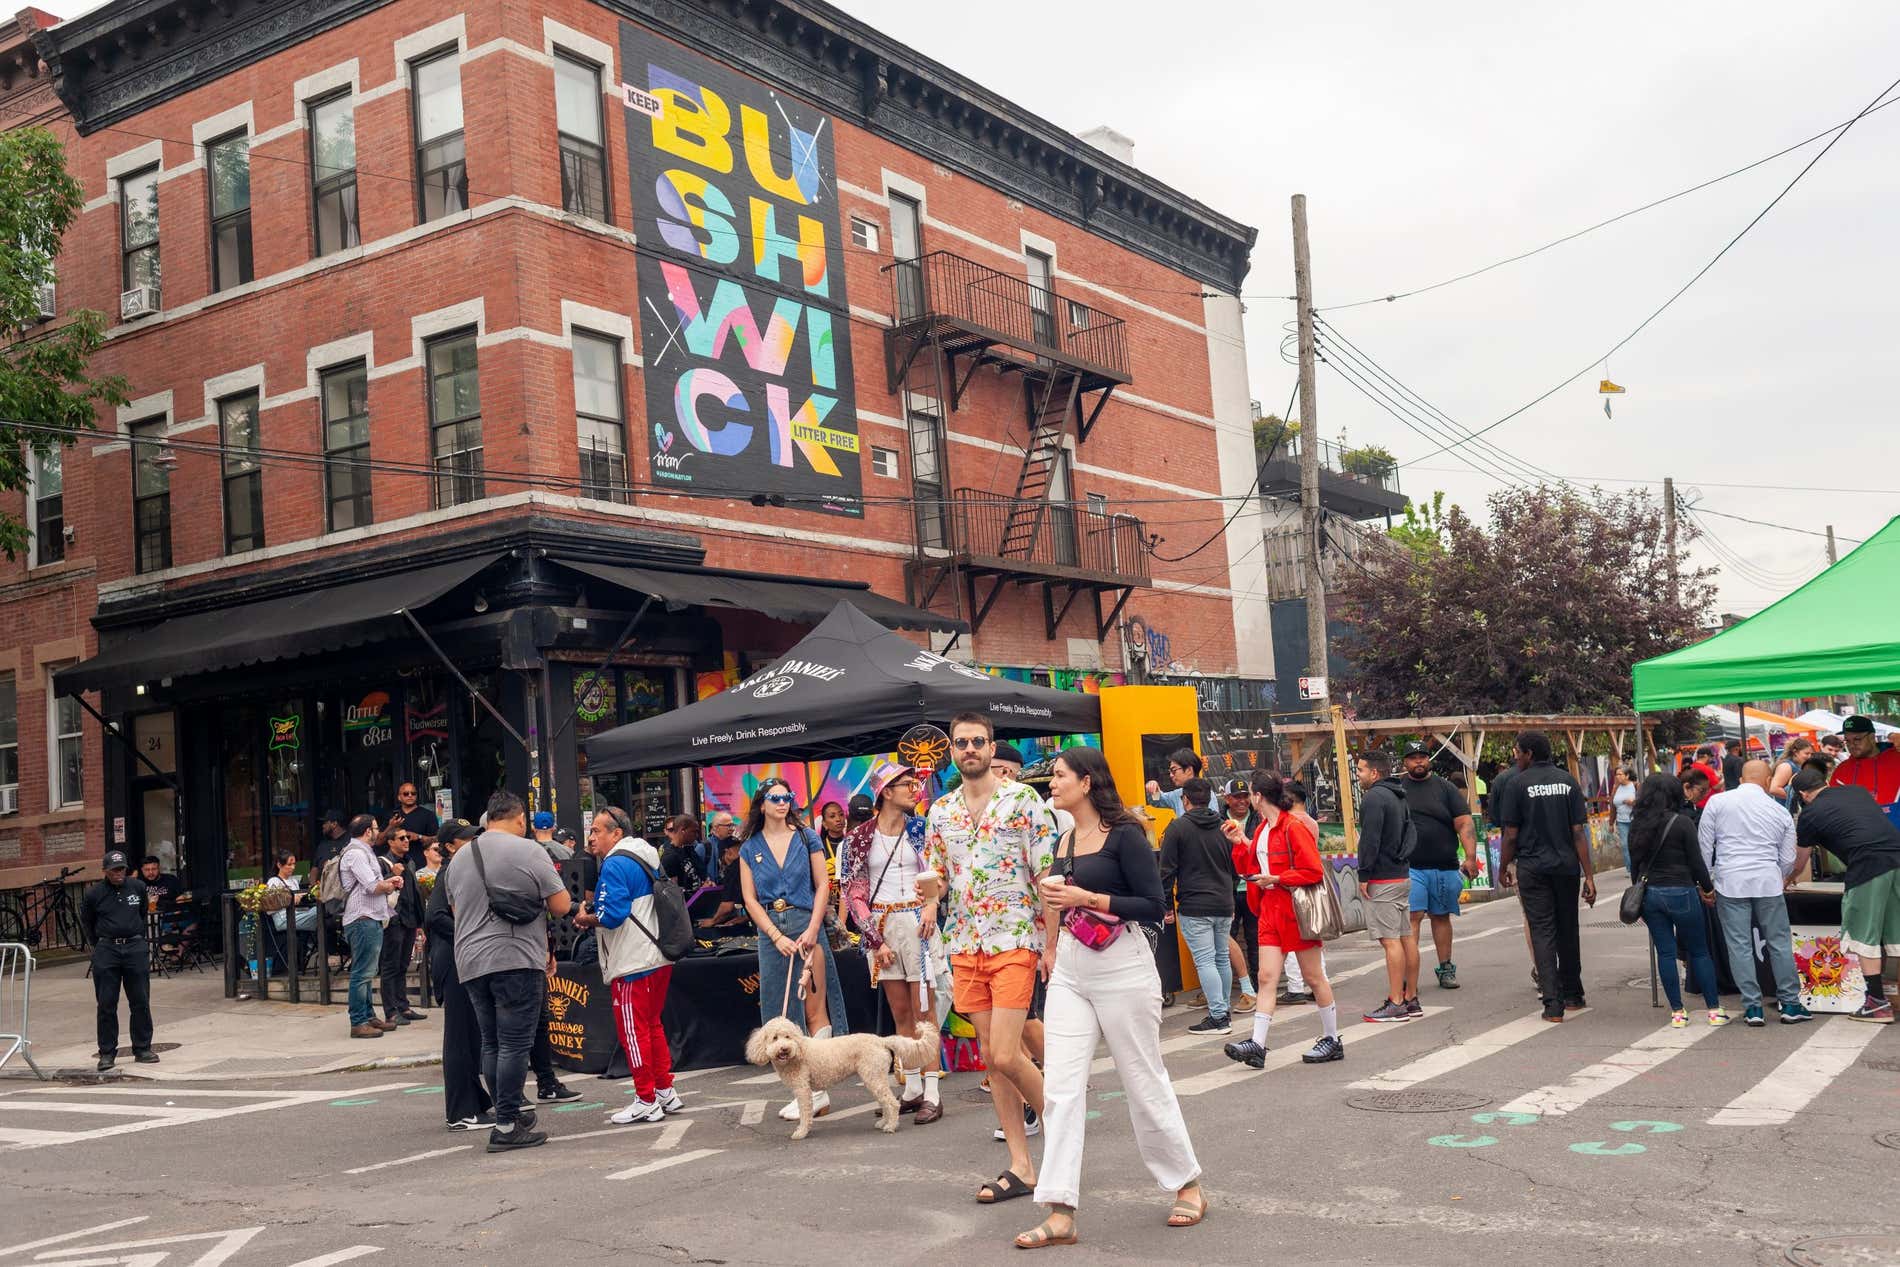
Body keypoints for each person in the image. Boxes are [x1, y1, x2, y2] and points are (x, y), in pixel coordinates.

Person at [1015, 746, 1205, 1249]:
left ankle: (1186, 1184)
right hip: (1072, 970)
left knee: (1142, 1078)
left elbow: (1153, 905)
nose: (1051, 783)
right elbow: (1057, 898)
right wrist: (1051, 946)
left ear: (1087, 781)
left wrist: (1086, 898)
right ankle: (1059, 1210)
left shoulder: (1126, 836)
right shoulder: (1063, 838)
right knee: (1059, 1087)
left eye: (1058, 776)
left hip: (1123, 963)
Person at [923, 710, 1054, 1206]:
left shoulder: (1023, 800)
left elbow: (1046, 877)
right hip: (963, 944)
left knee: (1005, 1053)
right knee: (994, 1064)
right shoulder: (941, 811)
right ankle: (1022, 1166)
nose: (970, 749)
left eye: (978, 741)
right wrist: (930, 897)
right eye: (962, 742)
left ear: (992, 747)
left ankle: (1063, 1133)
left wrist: (1052, 946)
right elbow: (936, 872)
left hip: (1015, 938)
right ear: (952, 751)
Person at [445, 790, 573, 1152]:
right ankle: (506, 1123)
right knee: (516, 1042)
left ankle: (510, 1113)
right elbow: (561, 905)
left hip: (470, 960)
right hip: (515, 956)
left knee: (493, 1041)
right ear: (520, 819)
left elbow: (456, 911)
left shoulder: (460, 858)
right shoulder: (529, 850)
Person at [738, 776, 850, 1123]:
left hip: (805, 922)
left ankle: (818, 1089)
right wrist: (773, 934)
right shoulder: (749, 845)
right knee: (780, 1009)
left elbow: (823, 887)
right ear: (761, 804)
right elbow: (749, 899)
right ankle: (805, 1091)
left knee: (815, 1005)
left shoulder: (807, 836)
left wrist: (813, 928)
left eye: (786, 797)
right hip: (773, 928)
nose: (782, 802)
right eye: (774, 798)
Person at [842, 761, 946, 1124]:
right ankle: (913, 1087)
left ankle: (933, 1091)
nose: (914, 789)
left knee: (925, 1012)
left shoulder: (922, 827)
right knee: (900, 1011)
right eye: (905, 784)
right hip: (882, 925)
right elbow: (853, 891)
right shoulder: (857, 839)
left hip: (919, 922)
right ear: (886, 792)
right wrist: (873, 939)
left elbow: (939, 873)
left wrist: (932, 904)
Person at [1220, 769, 1343, 1069]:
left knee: (1313, 977)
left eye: (1250, 793)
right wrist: (1240, 842)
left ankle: (1332, 1038)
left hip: (1295, 908)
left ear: (1259, 797)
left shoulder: (1292, 827)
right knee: (1266, 977)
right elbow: (1252, 863)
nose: (1248, 799)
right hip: (1270, 908)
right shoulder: (1263, 830)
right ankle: (1257, 1044)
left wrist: (1277, 877)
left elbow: (1313, 870)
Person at [574, 805, 684, 1124]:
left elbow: (612, 916)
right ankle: (664, 1090)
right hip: (657, 954)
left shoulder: (615, 864)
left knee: (634, 1033)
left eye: (597, 830)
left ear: (616, 833)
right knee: (652, 1025)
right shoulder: (647, 855)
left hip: (633, 960)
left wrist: (585, 918)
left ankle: (645, 1098)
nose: (591, 836)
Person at [1699, 760, 1808, 1027]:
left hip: (1730, 882)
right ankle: (1791, 1004)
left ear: (1741, 777)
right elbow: (1788, 857)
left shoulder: (1717, 803)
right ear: (1767, 778)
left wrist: (1707, 881)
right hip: (1768, 883)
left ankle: (1753, 1008)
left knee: (1739, 946)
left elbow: (1704, 846)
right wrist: (1779, 876)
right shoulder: (1778, 811)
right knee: (1779, 943)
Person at [1498, 731, 1595, 1022]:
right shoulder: (1568, 782)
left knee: (1542, 931)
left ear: (1528, 753)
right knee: (1568, 928)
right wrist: (1589, 875)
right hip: (1566, 867)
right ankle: (1574, 994)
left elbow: (1511, 835)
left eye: (1517, 751)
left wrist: (1503, 867)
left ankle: (1553, 1005)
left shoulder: (1516, 784)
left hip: (1532, 868)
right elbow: (1579, 832)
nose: (1515, 756)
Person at [1792, 763, 1900, 1023]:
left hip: (1867, 866)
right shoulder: (1857, 791)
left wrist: (1787, 879)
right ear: (1825, 781)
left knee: (1865, 934)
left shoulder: (1810, 813)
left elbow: (1800, 861)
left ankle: (1876, 1004)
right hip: (1897, 856)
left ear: (1804, 795)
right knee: (1896, 932)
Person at [1627, 775, 1726, 1028]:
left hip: (1650, 895)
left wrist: (1636, 893)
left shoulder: (1637, 823)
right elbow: (1696, 863)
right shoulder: (1682, 823)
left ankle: (1678, 1013)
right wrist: (1708, 889)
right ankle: (1714, 1010)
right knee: (1699, 951)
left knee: (1666, 953)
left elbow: (1635, 865)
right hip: (1682, 891)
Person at [426, 818, 495, 1129]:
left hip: (461, 958)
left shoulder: (462, 868)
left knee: (471, 1036)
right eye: (466, 839)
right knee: (459, 1037)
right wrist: (467, 933)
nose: (473, 842)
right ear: (450, 846)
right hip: (452, 962)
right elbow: (435, 915)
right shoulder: (449, 870)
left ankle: (475, 1101)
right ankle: (460, 1111)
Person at [1400, 742, 1481, 992]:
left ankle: (1445, 968)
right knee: (1413, 918)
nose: (1419, 762)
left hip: (1445, 866)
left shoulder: (1445, 789)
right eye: (1413, 758)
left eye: (1422, 757)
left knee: (1441, 916)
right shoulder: (1398, 790)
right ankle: (1408, 973)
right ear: (1405, 763)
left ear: (1429, 760)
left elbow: (1465, 824)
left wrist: (1470, 856)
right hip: (1411, 867)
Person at [1159, 777, 1236, 1036]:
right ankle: (1223, 1010)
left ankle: (1218, 1016)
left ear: (1186, 800)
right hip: (1224, 901)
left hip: (1195, 903)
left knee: (1205, 960)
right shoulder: (1225, 827)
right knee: (1221, 957)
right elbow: (1233, 867)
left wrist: (1166, 904)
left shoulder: (1178, 828)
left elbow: (1167, 872)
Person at [1355, 750, 1416, 1023]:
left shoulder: (1373, 798)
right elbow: (1410, 832)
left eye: (1360, 771)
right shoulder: (1398, 795)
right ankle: (1410, 997)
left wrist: (1364, 874)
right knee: (1405, 937)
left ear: (1375, 773)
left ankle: (1396, 1002)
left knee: (1390, 941)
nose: (1358, 776)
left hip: (1383, 877)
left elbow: (1370, 839)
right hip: (1401, 873)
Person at [80, 851, 156, 1071]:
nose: (118, 873)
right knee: (106, 1004)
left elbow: (142, 913)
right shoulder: (94, 894)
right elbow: (87, 922)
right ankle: (107, 1053)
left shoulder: (137, 887)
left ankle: (142, 1048)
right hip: (107, 949)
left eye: (121, 869)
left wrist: (137, 938)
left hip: (134, 947)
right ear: (105, 871)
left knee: (140, 1000)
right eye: (114, 870)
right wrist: (99, 945)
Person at [339, 815, 400, 1039]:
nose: (378, 832)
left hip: (369, 917)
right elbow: (372, 886)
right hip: (362, 918)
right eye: (375, 828)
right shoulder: (356, 854)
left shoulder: (363, 852)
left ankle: (369, 1016)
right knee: (362, 973)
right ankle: (358, 1022)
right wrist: (391, 883)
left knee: (368, 971)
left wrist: (388, 883)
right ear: (367, 831)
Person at [1278, 780, 1325, 1005]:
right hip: (1310, 886)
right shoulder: (1311, 822)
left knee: (1295, 939)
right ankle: (1319, 983)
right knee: (1312, 937)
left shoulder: (1293, 822)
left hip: (1295, 884)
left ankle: (1295, 986)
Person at [375, 825, 427, 1027]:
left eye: (407, 837)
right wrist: (390, 875)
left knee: (403, 965)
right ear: (390, 842)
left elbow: (414, 894)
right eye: (401, 838)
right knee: (390, 966)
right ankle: (391, 1012)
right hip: (393, 920)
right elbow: (374, 887)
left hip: (409, 919)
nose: (406, 841)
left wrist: (420, 922)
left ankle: (403, 1006)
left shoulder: (409, 862)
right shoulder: (383, 863)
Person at [1220, 777, 1260, 1012]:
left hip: (1254, 888)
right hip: (1231, 890)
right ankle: (1223, 993)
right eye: (1237, 796)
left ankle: (1255, 989)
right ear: (1227, 799)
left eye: (1245, 796)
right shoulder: (1220, 822)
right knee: (1225, 940)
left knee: (1255, 941)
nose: (1242, 801)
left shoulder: (1258, 818)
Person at [1830, 715, 1900, 805]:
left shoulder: (1896, 759)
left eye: (1857, 739)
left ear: (1871, 737)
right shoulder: (1841, 770)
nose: (1851, 745)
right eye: (1847, 740)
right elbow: (1835, 805)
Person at [696, 834, 752, 933]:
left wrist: (713, 921)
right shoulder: (752, 861)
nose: (724, 864)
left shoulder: (734, 868)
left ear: (727, 852)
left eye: (722, 860)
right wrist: (747, 917)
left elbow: (727, 907)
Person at [1144, 748, 1204, 816]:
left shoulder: (1207, 795)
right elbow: (1157, 801)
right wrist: (1154, 790)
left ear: (1189, 770)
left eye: (1174, 770)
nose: (1171, 775)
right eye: (1170, 771)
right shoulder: (1177, 794)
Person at [1771, 738, 1817, 809]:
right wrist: (1799, 798)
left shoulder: (1801, 766)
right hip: (1786, 811)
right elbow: (1774, 789)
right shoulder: (1786, 766)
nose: (1810, 756)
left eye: (1811, 754)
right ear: (1795, 752)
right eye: (1806, 753)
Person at [1611, 766, 1638, 876]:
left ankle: (1639, 866)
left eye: (1620, 774)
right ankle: (1630, 869)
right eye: (1616, 774)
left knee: (1636, 844)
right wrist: (1610, 823)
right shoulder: (1615, 788)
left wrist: (1633, 803)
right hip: (1621, 821)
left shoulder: (1635, 786)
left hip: (1635, 820)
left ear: (1627, 775)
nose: (1617, 777)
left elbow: (1644, 801)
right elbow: (1612, 806)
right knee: (1625, 845)